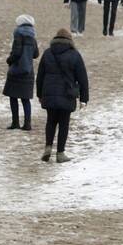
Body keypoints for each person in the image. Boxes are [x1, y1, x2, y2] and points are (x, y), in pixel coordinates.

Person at [36, 28, 89, 163]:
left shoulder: (48, 53)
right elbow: (82, 78)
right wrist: (84, 98)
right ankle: (60, 153)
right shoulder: (75, 55)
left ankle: (48, 147)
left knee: (51, 121)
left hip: (49, 93)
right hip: (67, 94)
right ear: (70, 40)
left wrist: (40, 94)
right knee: (64, 124)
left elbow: (40, 75)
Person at [3, 14, 39, 131]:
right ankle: (27, 123)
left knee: (13, 97)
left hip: (16, 70)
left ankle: (15, 122)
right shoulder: (32, 35)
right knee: (25, 99)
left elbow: (16, 52)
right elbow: (36, 54)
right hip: (28, 70)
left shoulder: (18, 33)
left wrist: (9, 60)